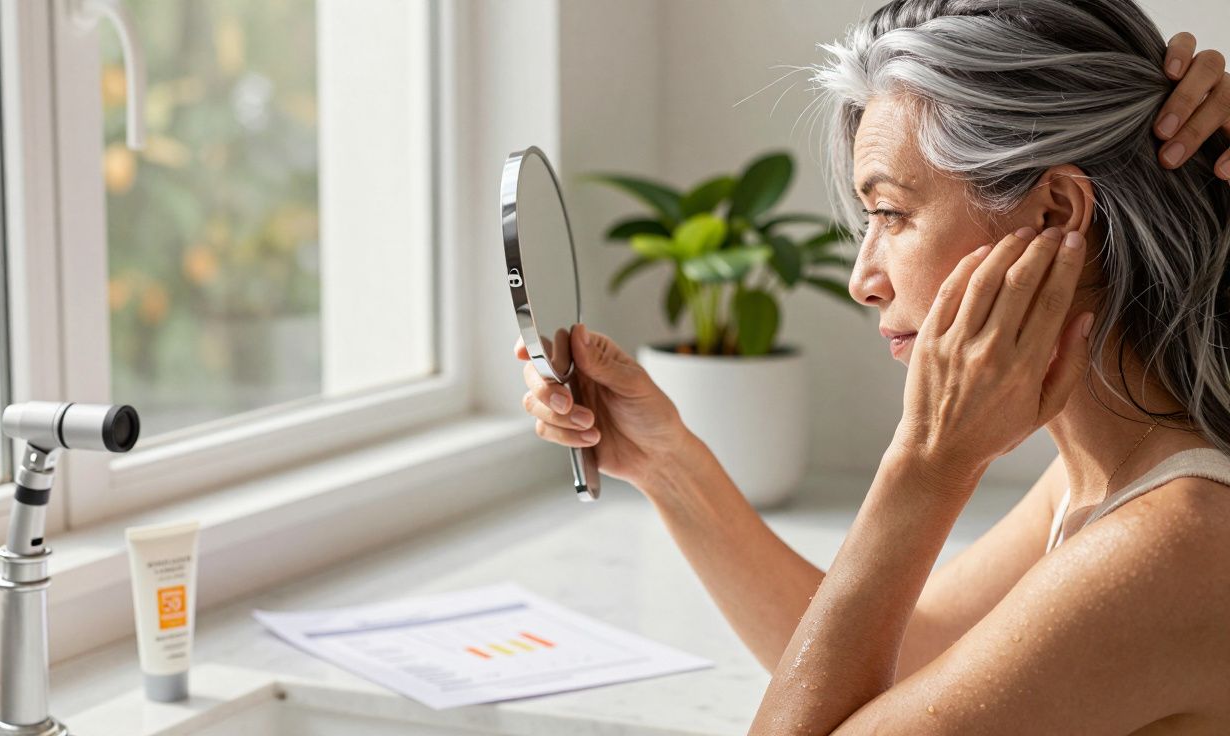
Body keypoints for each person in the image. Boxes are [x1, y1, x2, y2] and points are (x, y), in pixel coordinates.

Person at [514, 2, 1230, 732]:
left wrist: (927, 462)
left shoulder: (1173, 545)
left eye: (889, 214)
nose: (864, 278)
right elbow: (913, 657)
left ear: (1052, 214)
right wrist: (670, 466)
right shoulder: (1107, 481)